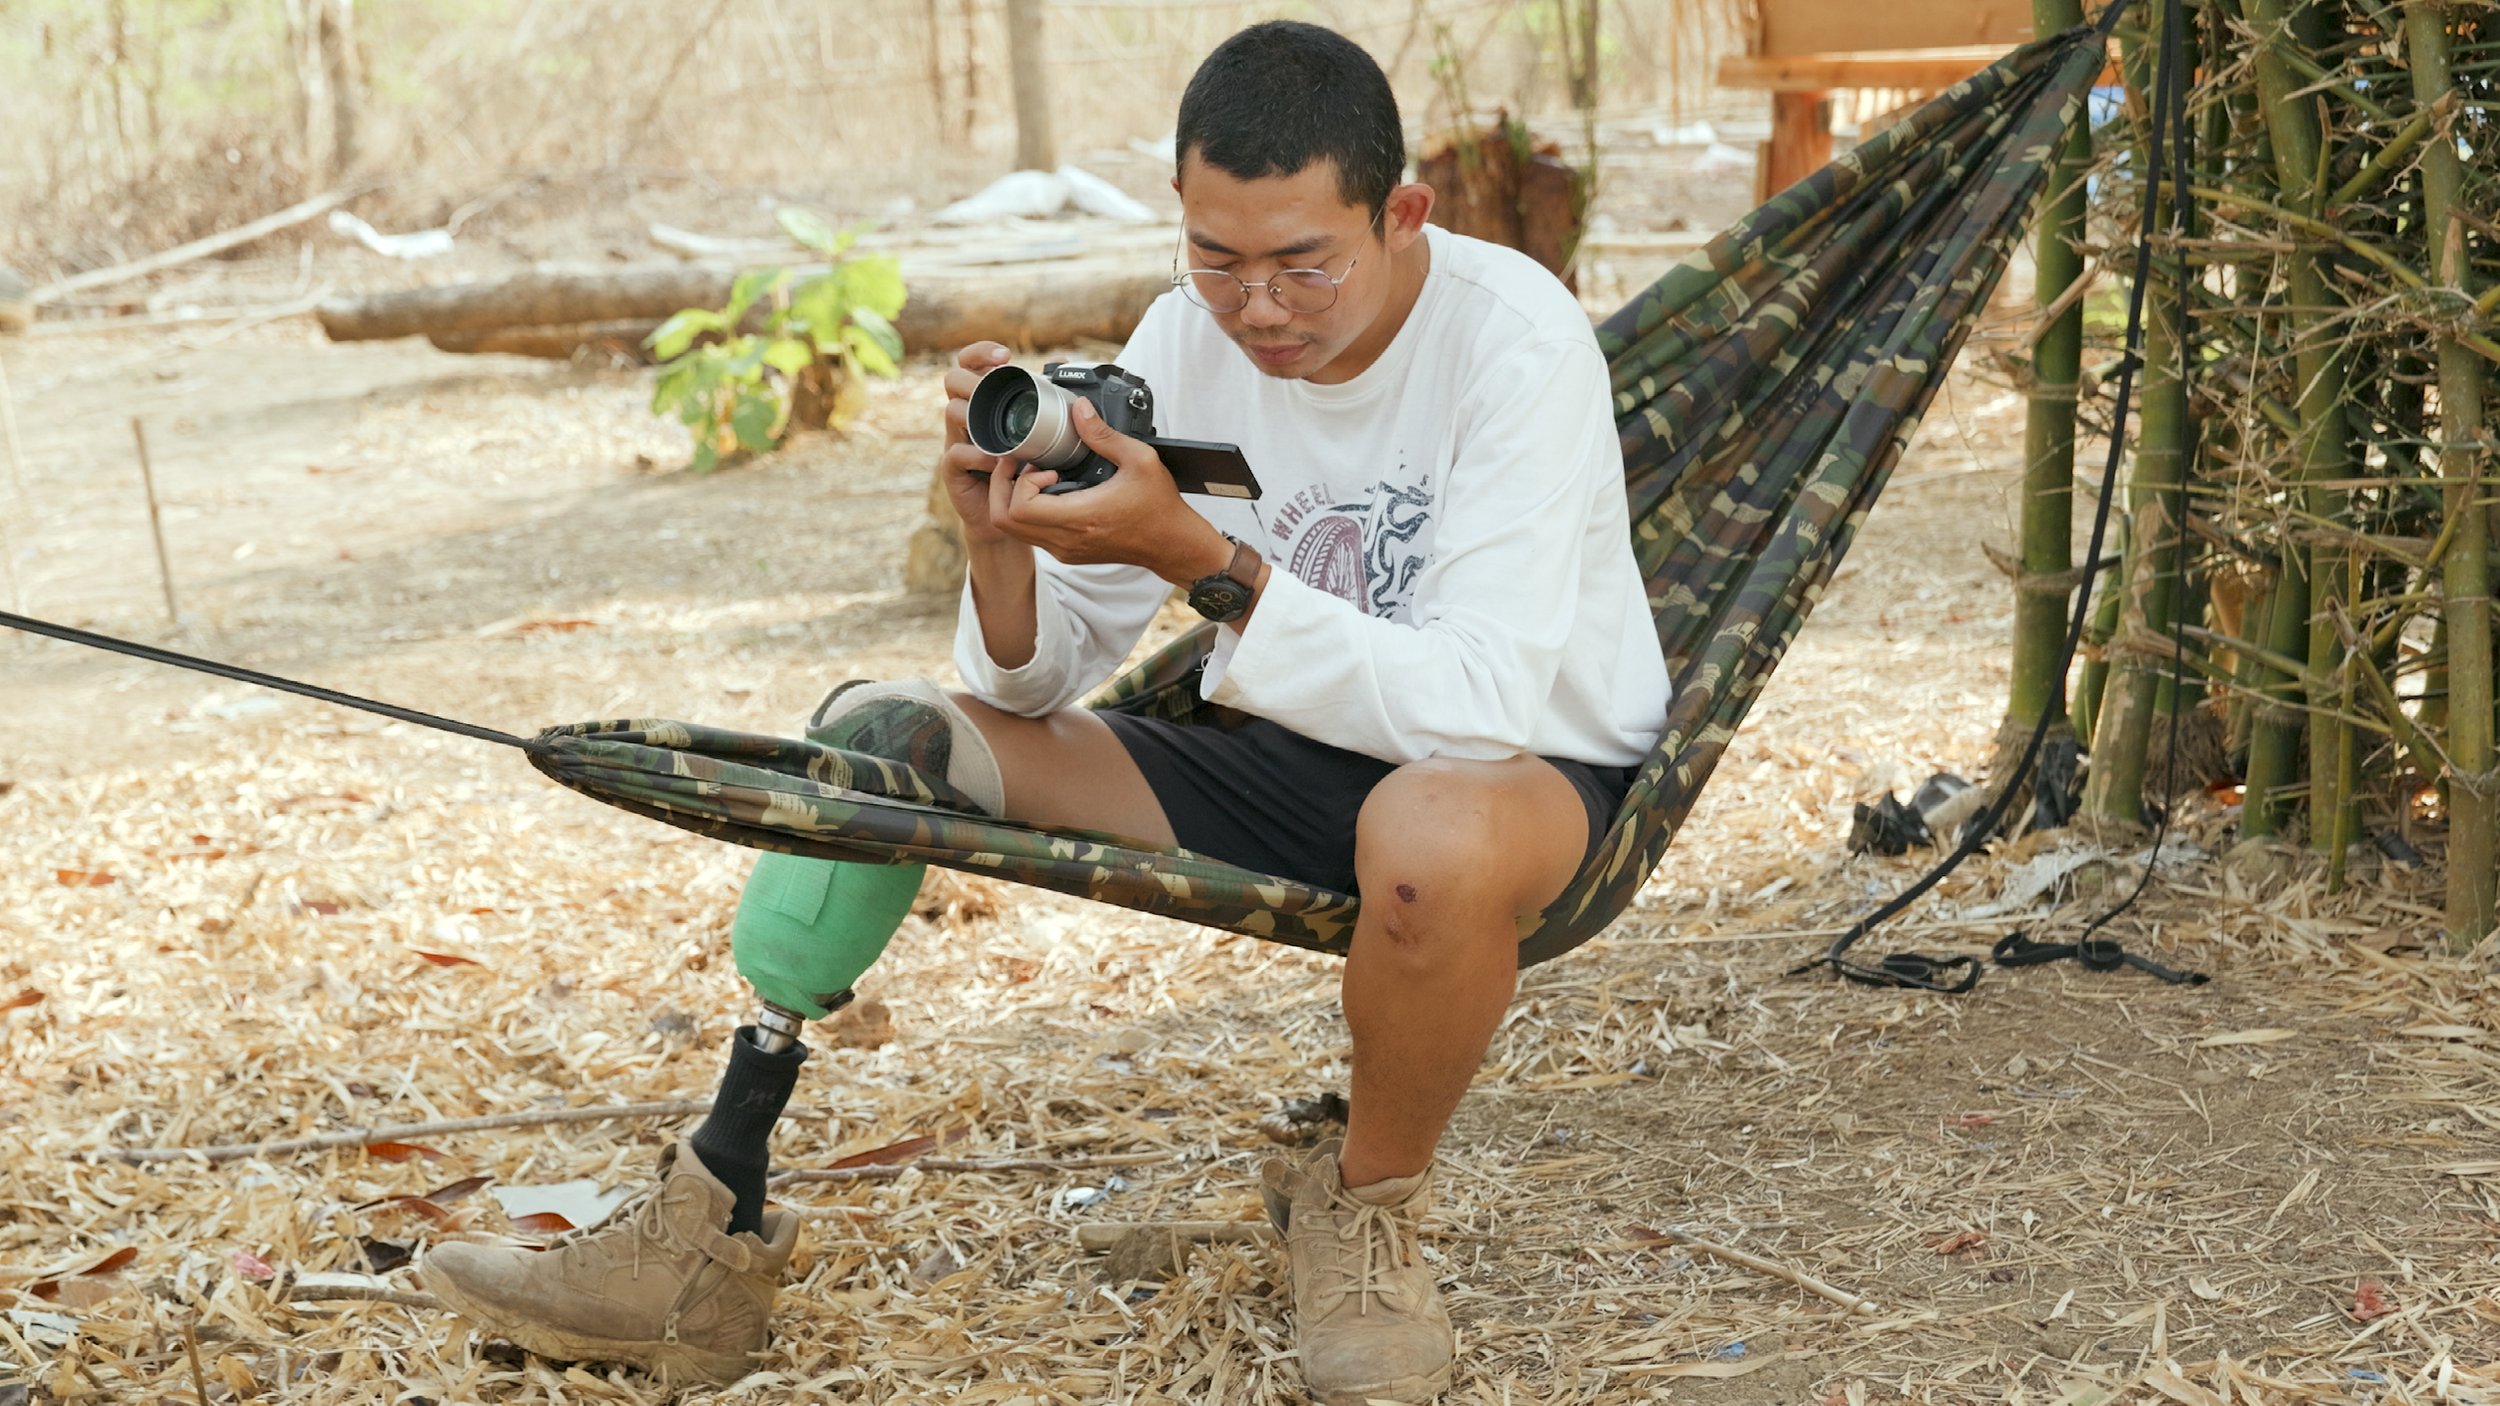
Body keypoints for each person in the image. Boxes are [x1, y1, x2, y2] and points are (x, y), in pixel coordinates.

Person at [424, 20, 1668, 1405]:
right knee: (884, 736)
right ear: (1180, 215)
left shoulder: (1512, 340)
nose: (1259, 309)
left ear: (1404, 215)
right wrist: (998, 542)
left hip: (1515, 775)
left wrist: (1202, 557)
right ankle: (703, 1226)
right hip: (1278, 753)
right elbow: (1029, 683)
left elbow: (1480, 702)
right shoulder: (1185, 337)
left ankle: (1363, 1210)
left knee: (1428, 838)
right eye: (1216, 258)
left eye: (1304, 264)